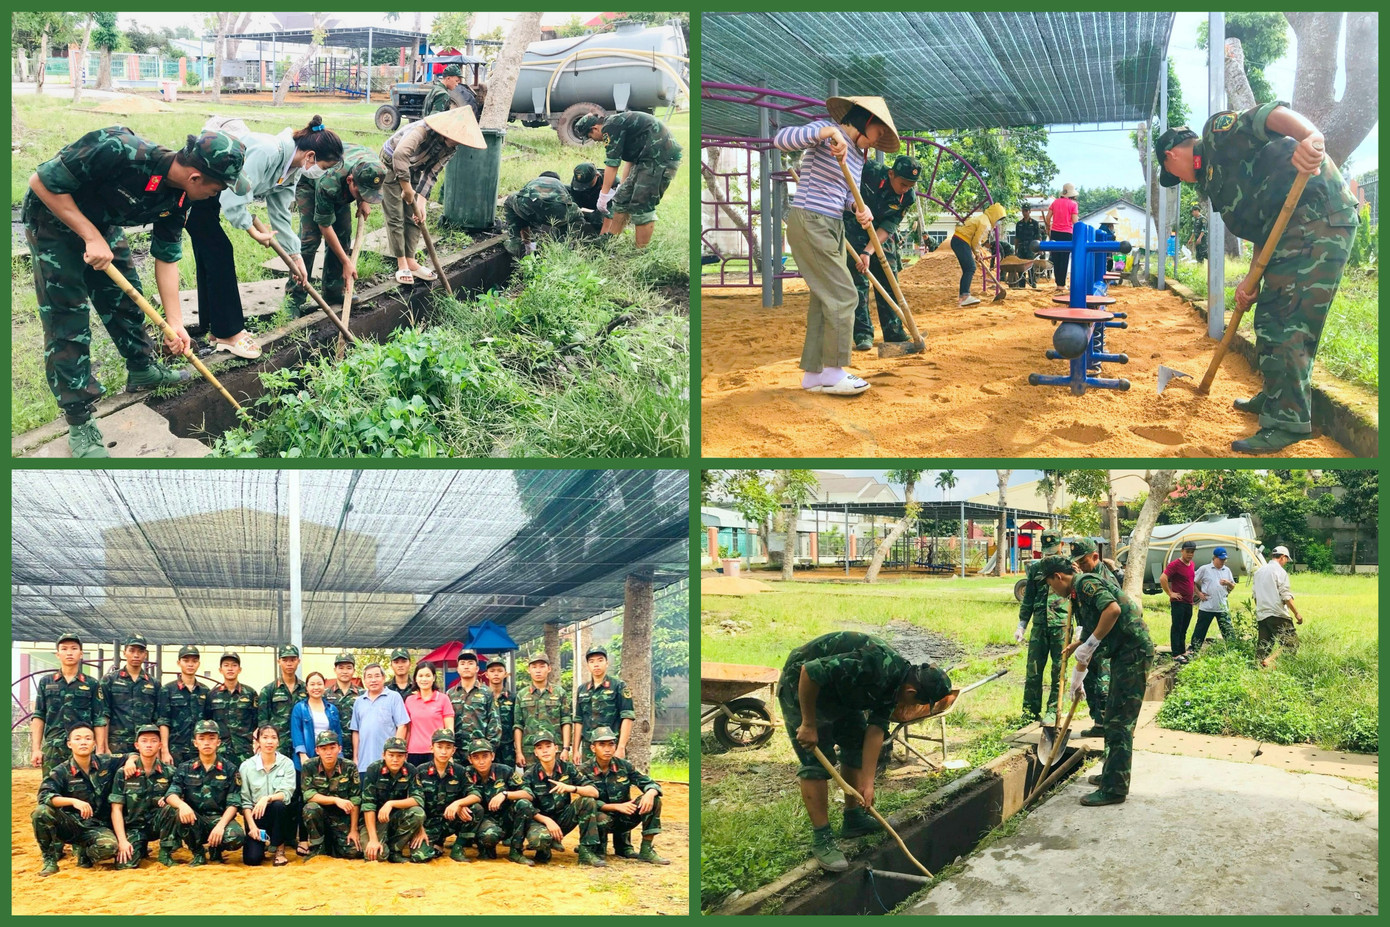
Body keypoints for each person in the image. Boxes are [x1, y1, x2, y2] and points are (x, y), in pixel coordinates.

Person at [22, 127, 245, 457]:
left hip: (101, 223)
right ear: (196, 177)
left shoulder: (181, 197)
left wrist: (175, 323)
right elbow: (41, 183)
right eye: (218, 188)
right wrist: (89, 235)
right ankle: (80, 421)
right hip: (54, 220)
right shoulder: (119, 148)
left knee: (126, 297)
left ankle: (142, 369)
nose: (217, 195)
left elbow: (167, 257)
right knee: (66, 319)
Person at [1155, 102, 1359, 453]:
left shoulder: (1216, 136)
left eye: (1174, 175)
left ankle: (1287, 422)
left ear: (1171, 156)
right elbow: (1266, 229)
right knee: (1269, 316)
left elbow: (1269, 115)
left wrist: (1310, 137)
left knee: (1286, 321)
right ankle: (1277, 395)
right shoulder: (1216, 185)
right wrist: (1250, 281)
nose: (1182, 181)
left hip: (1317, 217)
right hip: (1289, 232)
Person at [780, 631, 952, 871]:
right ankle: (822, 838)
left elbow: (875, 731)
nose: (913, 707)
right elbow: (810, 672)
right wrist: (808, 723)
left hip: (841, 693)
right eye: (917, 703)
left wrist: (868, 784)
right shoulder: (874, 665)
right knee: (817, 762)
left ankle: (853, 819)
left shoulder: (899, 684)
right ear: (911, 692)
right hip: (802, 685)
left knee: (856, 743)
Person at [773, 95, 898, 397]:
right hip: (810, 221)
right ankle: (834, 370)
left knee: (824, 300)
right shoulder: (827, 131)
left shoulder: (856, 155)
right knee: (844, 294)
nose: (876, 142)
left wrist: (859, 207)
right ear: (866, 122)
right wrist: (829, 134)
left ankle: (814, 374)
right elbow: (781, 140)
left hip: (833, 225)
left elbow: (844, 196)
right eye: (878, 134)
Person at [189, 116, 343, 357]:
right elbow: (234, 200)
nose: (318, 173)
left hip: (215, 193)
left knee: (211, 255)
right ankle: (229, 334)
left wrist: (295, 257)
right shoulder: (268, 152)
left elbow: (280, 212)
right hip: (200, 187)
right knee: (219, 252)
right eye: (322, 168)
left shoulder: (291, 169)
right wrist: (253, 230)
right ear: (311, 156)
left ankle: (215, 330)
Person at [1043, 554, 1155, 807]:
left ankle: (1115, 789)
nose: (1052, 590)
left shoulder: (1084, 584)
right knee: (1112, 719)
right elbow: (1096, 629)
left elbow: (1112, 610)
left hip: (1133, 653)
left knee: (1119, 722)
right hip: (1124, 654)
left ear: (1058, 577)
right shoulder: (1078, 594)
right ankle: (1111, 775)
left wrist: (1090, 644)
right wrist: (1078, 671)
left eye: (1051, 584)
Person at [380, 107, 485, 285]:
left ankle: (411, 260)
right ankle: (401, 262)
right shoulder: (423, 130)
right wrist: (406, 188)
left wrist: (421, 203)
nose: (460, 142)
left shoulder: (452, 147)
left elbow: (431, 173)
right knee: (396, 215)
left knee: (414, 217)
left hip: (413, 167)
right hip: (391, 163)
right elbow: (400, 154)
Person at [285, 142, 385, 314]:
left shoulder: (375, 167)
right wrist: (347, 262)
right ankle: (294, 299)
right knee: (309, 239)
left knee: (343, 234)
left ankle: (333, 292)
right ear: (350, 181)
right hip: (310, 183)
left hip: (341, 186)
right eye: (361, 192)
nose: (364, 196)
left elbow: (368, 184)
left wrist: (363, 200)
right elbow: (324, 225)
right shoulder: (329, 183)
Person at [576, 110, 683, 248]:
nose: (594, 139)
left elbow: (612, 164)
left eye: (590, 135)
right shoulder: (617, 124)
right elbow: (629, 160)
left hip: (660, 160)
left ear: (595, 128)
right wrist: (622, 185)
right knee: (621, 199)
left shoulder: (610, 127)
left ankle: (640, 252)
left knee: (641, 204)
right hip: (644, 160)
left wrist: (603, 195)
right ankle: (611, 242)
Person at [845, 154, 918, 350]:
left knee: (888, 281)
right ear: (891, 174)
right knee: (858, 281)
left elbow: (888, 226)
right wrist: (862, 253)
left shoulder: (908, 196)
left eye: (910, 186)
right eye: (903, 184)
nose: (906, 189)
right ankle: (863, 334)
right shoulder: (869, 171)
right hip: (854, 228)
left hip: (881, 236)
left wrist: (869, 252)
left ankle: (893, 333)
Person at [31, 723, 121, 876]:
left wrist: (131, 761)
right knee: (41, 812)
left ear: (94, 744)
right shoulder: (60, 771)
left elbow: (132, 755)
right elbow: (44, 796)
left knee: (109, 848)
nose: (83, 742)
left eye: (88, 738)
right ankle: (50, 860)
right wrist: (73, 801)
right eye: (77, 739)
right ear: (69, 744)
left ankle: (85, 852)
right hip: (70, 824)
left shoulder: (106, 762)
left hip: (97, 826)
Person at [515, 729, 605, 867]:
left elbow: (594, 792)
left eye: (548, 746)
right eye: (540, 748)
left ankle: (587, 852)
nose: (545, 751)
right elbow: (526, 806)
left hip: (563, 819)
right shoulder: (529, 775)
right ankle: (545, 848)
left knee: (587, 801)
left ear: (556, 748)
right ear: (535, 753)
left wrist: (572, 788)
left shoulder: (567, 768)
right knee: (539, 841)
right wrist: (547, 821)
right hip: (540, 821)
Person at [162, 720, 245, 866]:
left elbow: (234, 803)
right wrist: (182, 806)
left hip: (219, 818)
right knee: (178, 813)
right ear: (195, 743)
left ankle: (216, 848)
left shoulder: (230, 768)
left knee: (236, 837)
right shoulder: (185, 767)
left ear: (218, 742)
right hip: (195, 819)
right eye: (202, 738)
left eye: (211, 738)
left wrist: (220, 826)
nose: (207, 743)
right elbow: (171, 795)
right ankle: (198, 852)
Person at [586, 726, 668, 864]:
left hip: (626, 815)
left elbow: (650, 783)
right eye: (602, 744)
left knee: (654, 800)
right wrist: (616, 807)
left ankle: (646, 850)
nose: (607, 749)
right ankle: (597, 849)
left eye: (611, 744)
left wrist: (650, 793)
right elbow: (586, 802)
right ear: (593, 748)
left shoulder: (624, 766)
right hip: (601, 818)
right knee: (597, 815)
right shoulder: (584, 770)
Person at [31, 631, 108, 774]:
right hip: (53, 748)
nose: (69, 652)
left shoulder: (92, 684)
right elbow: (39, 715)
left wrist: (100, 749)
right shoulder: (46, 682)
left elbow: (98, 719)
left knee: (83, 790)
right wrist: (36, 749)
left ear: (81, 653)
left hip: (82, 748)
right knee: (51, 790)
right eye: (64, 649)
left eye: (74, 648)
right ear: (58, 654)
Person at [1016, 531, 1070, 725]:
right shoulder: (1036, 568)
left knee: (1058, 670)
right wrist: (1022, 624)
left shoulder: (1069, 567)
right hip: (1039, 625)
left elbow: (1077, 598)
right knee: (1034, 670)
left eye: (1053, 551)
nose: (1050, 556)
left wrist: (1080, 625)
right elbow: (1028, 597)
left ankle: (1053, 711)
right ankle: (1030, 712)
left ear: (1061, 545)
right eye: (1047, 552)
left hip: (1061, 624)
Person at [1068, 540, 1118, 737]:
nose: (1080, 566)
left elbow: (1109, 610)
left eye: (1083, 561)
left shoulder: (1103, 577)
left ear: (1095, 557)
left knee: (1103, 682)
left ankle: (1106, 724)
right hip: (1089, 635)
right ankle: (1098, 722)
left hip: (1103, 638)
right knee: (1089, 679)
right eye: (1076, 562)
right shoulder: (1083, 576)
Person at [108, 724, 176, 870]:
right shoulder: (123, 773)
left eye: (153, 741)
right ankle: (140, 848)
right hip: (134, 828)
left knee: (173, 807)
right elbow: (116, 809)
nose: (149, 745)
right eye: (144, 741)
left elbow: (179, 798)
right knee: (125, 865)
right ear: (137, 745)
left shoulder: (169, 772)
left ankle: (165, 852)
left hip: (157, 825)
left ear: (160, 745)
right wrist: (122, 841)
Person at [409, 728, 474, 862]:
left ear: (453, 751)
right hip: (427, 825)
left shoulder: (460, 771)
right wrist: (419, 829)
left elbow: (475, 794)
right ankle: (436, 845)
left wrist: (459, 803)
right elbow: (414, 802)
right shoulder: (420, 771)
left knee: (476, 809)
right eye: (439, 747)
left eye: (448, 747)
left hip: (449, 821)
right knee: (420, 857)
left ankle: (458, 848)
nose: (444, 752)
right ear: (431, 748)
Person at [360, 736, 427, 863]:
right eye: (391, 755)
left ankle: (395, 849)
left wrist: (391, 804)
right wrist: (373, 839)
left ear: (405, 756)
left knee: (418, 812)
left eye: (400, 756)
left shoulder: (410, 770)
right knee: (377, 856)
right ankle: (381, 843)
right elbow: (368, 805)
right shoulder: (374, 770)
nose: (395, 759)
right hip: (375, 821)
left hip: (395, 817)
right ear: (383, 755)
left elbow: (418, 799)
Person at [459, 738, 528, 861]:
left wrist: (505, 794)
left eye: (485, 756)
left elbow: (528, 793)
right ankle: (484, 847)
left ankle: (516, 851)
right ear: (470, 759)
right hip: (482, 822)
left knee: (524, 804)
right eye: (476, 757)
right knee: (489, 837)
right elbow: (455, 797)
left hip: (506, 819)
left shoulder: (505, 771)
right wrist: (461, 805)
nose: (481, 761)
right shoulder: (466, 774)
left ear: (492, 756)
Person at [239, 725, 296, 866]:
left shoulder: (287, 764)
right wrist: (252, 827)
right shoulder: (246, 767)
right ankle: (262, 844)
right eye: (265, 738)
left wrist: (267, 798)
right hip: (256, 817)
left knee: (278, 805)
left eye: (273, 738)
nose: (269, 742)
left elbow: (287, 793)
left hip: (279, 816)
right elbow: (245, 802)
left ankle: (279, 849)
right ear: (258, 741)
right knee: (252, 859)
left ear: (278, 742)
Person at [300, 731, 363, 859]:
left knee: (353, 852)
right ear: (317, 750)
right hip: (320, 814)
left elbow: (355, 800)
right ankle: (317, 848)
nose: (328, 752)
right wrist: (335, 800)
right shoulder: (309, 766)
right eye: (323, 748)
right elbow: (309, 795)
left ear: (339, 749)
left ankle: (331, 843)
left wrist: (353, 830)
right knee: (310, 808)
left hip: (342, 817)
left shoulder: (349, 767)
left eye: (332, 748)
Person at [502, 171, 587, 257]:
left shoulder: (535, 182)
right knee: (578, 217)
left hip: (528, 206)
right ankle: (563, 246)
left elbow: (521, 195)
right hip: (557, 211)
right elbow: (571, 202)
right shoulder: (561, 185)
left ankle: (516, 243)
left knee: (510, 201)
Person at [574, 645, 635, 760]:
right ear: (588, 666)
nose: (596, 664)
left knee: (614, 777)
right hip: (589, 747)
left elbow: (627, 717)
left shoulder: (619, 686)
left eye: (600, 660)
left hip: (611, 745)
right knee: (589, 778)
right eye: (591, 661)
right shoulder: (582, 689)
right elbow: (578, 720)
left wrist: (621, 747)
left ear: (607, 663)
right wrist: (576, 750)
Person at [101, 634, 159, 756]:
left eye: (140, 651)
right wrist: (103, 747)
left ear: (146, 654)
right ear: (124, 652)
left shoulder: (154, 684)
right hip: (116, 744)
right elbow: (103, 715)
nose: (136, 655)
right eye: (132, 650)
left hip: (144, 745)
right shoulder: (109, 680)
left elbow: (157, 718)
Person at [513, 653, 571, 767]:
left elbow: (566, 721)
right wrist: (519, 752)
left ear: (549, 668)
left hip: (554, 749)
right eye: (534, 667)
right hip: (530, 750)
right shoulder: (522, 695)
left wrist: (566, 748)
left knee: (558, 781)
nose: (538, 670)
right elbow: (518, 725)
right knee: (531, 782)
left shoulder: (560, 693)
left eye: (542, 666)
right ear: (528, 670)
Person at [157, 644, 211, 766]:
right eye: (186, 661)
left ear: (199, 664)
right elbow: (163, 721)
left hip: (199, 751)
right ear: (179, 662)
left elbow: (209, 722)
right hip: (175, 751)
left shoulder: (205, 691)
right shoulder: (168, 690)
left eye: (194, 661)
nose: (190, 664)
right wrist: (164, 751)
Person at [1252, 545, 1303, 667]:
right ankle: (1270, 661)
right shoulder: (1279, 571)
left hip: (1262, 614)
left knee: (1264, 646)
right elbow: (1285, 596)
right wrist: (1297, 613)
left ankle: (1258, 669)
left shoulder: (1259, 572)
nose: (1286, 562)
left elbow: (1255, 596)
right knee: (1292, 643)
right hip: (1277, 614)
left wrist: (1261, 610)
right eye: (1286, 559)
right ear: (1283, 557)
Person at [350, 663, 410, 767]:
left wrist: (396, 752)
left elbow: (402, 726)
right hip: (364, 762)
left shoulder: (394, 697)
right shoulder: (359, 701)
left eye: (377, 676)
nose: (373, 680)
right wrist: (355, 757)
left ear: (383, 678)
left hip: (389, 762)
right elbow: (356, 731)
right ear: (364, 680)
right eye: (369, 677)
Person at [207, 651, 258, 768]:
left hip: (244, 751)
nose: (230, 669)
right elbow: (208, 721)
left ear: (239, 669)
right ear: (220, 670)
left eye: (234, 665)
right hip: (220, 751)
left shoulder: (250, 693)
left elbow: (256, 720)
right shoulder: (212, 695)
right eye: (226, 665)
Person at [949, 203, 1007, 307]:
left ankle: (962, 298)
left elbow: (975, 240)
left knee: (967, 269)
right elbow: (976, 241)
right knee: (971, 268)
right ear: (995, 215)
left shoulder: (983, 219)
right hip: (961, 241)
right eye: (999, 219)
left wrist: (977, 251)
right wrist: (976, 252)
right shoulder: (986, 224)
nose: (998, 223)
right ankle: (965, 297)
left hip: (959, 240)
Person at [290, 671, 346, 772]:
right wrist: (302, 755)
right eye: (312, 684)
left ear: (324, 686)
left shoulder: (332, 709)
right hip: (307, 757)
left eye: (319, 684)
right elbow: (296, 732)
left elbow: (338, 734)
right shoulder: (300, 708)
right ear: (307, 688)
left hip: (328, 758)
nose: (316, 687)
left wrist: (339, 755)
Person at [259, 645, 307, 759]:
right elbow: (263, 722)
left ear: (298, 661)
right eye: (285, 660)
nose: (289, 663)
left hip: (302, 744)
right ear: (278, 661)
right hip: (278, 745)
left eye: (292, 660)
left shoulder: (306, 688)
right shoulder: (268, 690)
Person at [447, 650, 500, 754]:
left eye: (470, 663)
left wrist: (489, 749)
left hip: (480, 751)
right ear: (457, 669)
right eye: (462, 664)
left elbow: (494, 723)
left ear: (477, 669)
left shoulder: (487, 692)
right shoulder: (450, 694)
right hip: (456, 751)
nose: (466, 667)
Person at [404, 662, 455, 766]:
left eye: (428, 675)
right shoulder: (409, 700)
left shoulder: (443, 699)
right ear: (415, 679)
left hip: (437, 752)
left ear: (434, 677)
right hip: (414, 753)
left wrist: (449, 753)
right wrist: (404, 751)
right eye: (421, 676)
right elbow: (407, 729)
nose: (424, 679)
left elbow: (449, 728)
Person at [1191, 547, 1238, 654]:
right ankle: (1194, 650)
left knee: (1228, 631)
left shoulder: (1227, 570)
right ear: (1215, 558)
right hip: (1207, 606)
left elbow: (1232, 586)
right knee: (1200, 630)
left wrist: (1228, 583)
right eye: (1221, 559)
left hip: (1222, 606)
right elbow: (1192, 581)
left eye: (1224, 559)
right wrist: (1199, 594)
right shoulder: (1205, 569)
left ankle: (1233, 650)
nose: (1223, 562)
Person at [1160, 540, 1198, 659]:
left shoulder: (1192, 564)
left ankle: (1182, 651)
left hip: (1189, 601)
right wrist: (1170, 593)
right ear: (1182, 551)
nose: (1190, 554)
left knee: (1184, 627)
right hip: (1178, 602)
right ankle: (1176, 653)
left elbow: (1191, 581)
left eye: (1192, 552)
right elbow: (1163, 578)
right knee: (1177, 626)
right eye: (1187, 552)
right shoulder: (1175, 564)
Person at [327, 652, 364, 762]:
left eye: (348, 668)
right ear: (335, 670)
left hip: (358, 747)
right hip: (332, 747)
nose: (344, 671)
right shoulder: (325, 694)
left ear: (354, 670)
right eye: (341, 668)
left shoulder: (363, 694)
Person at [1046, 183, 1079, 287]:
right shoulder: (1073, 205)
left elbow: (1047, 218)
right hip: (1067, 233)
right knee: (1064, 259)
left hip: (1055, 232)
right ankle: (1062, 284)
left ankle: (1058, 284)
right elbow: (1075, 222)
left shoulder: (1055, 202)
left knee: (1056, 258)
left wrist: (1049, 227)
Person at [485, 657, 515, 760]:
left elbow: (518, 723)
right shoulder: (482, 697)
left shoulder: (513, 698)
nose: (496, 674)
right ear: (486, 674)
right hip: (487, 747)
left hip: (508, 748)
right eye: (492, 671)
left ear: (506, 674)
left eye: (500, 671)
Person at [1012, 204, 1044, 288]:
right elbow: (1017, 237)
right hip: (1021, 247)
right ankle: (1022, 283)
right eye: (1023, 211)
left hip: (1031, 247)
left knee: (1030, 265)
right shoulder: (1019, 224)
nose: (1024, 212)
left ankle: (1032, 282)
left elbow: (1038, 236)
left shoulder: (1034, 223)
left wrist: (1040, 248)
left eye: (1026, 211)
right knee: (1021, 265)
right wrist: (1015, 250)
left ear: (1030, 211)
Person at [568, 161, 607, 227]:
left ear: (597, 175)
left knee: (598, 221)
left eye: (587, 184)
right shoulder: (578, 180)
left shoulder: (608, 180)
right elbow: (575, 197)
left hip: (602, 206)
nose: (584, 187)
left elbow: (613, 207)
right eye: (580, 184)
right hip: (585, 203)